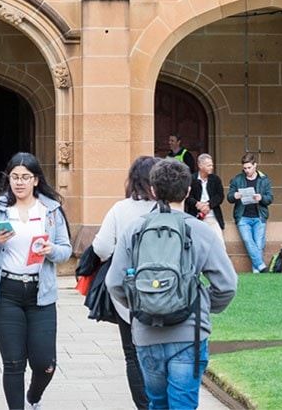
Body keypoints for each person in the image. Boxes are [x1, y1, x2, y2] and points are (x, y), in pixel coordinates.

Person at [106, 159, 237, 410]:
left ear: (153, 191)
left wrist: (142, 303)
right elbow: (227, 285)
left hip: (146, 334)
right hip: (189, 332)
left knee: (157, 404)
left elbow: (114, 283)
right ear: (188, 191)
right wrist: (202, 303)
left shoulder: (135, 230)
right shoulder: (200, 231)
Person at [0, 152, 72, 410]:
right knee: (13, 362)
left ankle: (33, 398)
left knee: (45, 363)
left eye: (25, 177)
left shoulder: (50, 210)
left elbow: (65, 251)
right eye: (15, 177)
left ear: (36, 180)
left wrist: (51, 250)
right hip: (6, 291)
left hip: (41, 292)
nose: (19, 182)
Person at [91, 155, 159, 410]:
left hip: (128, 292)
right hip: (165, 292)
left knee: (133, 355)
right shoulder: (168, 209)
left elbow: (101, 247)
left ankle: (145, 406)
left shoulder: (121, 209)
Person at [227, 153, 275, 273]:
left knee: (259, 245)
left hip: (259, 216)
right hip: (243, 217)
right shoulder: (238, 179)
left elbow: (270, 198)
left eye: (249, 167)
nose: (247, 170)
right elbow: (229, 197)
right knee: (248, 241)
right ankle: (261, 266)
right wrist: (235, 195)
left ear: (255, 165)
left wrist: (261, 198)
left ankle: (256, 270)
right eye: (245, 168)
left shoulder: (264, 180)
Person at [188, 153, 226, 243]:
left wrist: (209, 204)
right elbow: (187, 196)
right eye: (209, 165)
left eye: (212, 165)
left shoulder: (215, 179)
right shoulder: (191, 179)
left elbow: (220, 196)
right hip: (196, 217)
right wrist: (197, 204)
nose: (211, 167)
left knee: (219, 244)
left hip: (212, 217)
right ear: (200, 166)